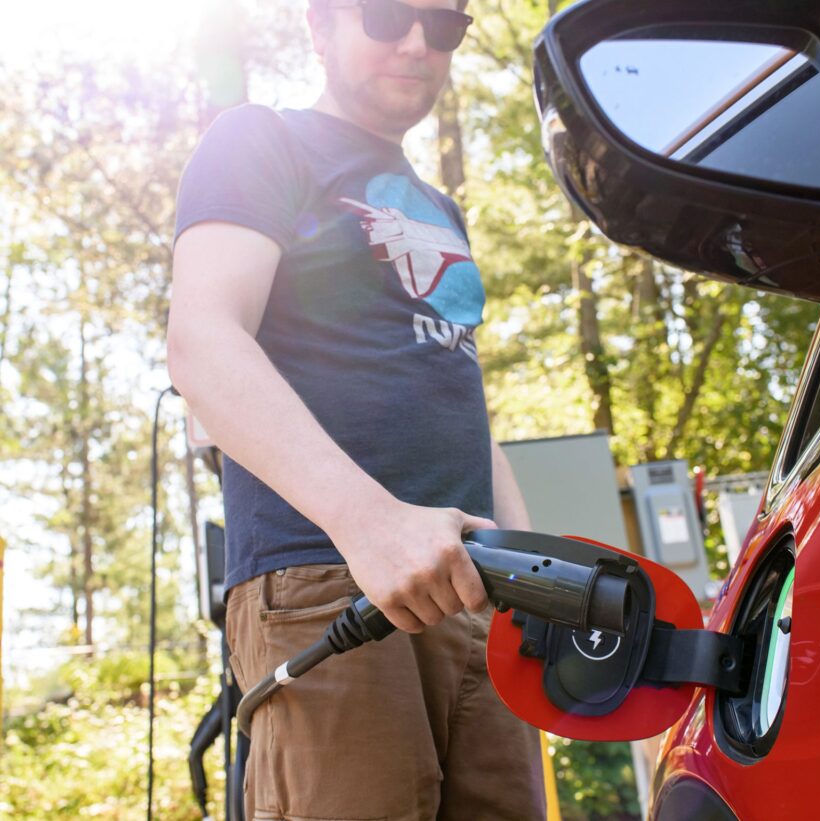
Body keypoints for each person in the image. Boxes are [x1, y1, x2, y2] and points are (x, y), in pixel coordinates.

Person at [166, 0, 547, 817]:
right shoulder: (260, 139)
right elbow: (203, 339)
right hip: (326, 575)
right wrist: (369, 522)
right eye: (387, 17)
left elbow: (461, 391)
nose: (418, 42)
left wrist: (533, 578)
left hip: (477, 590)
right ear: (320, 27)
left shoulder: (440, 207)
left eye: (446, 28)